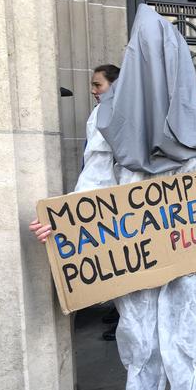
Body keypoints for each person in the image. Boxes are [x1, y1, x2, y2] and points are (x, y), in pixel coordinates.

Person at [30, 5, 196, 390]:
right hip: (133, 248)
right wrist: (62, 224)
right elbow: (94, 185)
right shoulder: (107, 118)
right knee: (138, 334)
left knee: (186, 331)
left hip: (189, 244)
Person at [88, 64, 122, 341]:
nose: (93, 90)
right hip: (111, 202)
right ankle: (119, 312)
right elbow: (95, 165)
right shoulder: (100, 114)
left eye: (98, 84)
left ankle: (121, 317)